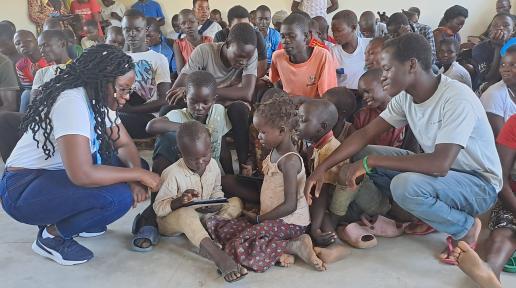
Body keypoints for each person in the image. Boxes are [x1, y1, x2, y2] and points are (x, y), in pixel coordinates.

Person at [304, 33, 502, 266]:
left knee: (402, 185)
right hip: (444, 175)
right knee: (360, 153)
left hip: (478, 185)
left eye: (387, 69)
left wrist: (371, 163)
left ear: (411, 65)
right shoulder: (406, 97)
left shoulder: (456, 98)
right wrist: (321, 168)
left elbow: (439, 165)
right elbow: (364, 134)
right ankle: (393, 212)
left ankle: (465, 227)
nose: (383, 77)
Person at [0, 44, 161, 266]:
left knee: (137, 165)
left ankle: (82, 220)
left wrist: (136, 173)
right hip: (23, 189)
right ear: (102, 82)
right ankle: (52, 236)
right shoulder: (71, 102)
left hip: (53, 176)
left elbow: (124, 145)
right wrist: (137, 176)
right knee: (118, 197)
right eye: (123, 89)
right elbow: (82, 175)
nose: (126, 97)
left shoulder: (99, 99)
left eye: (128, 90)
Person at [207, 95, 327, 273]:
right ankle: (280, 247)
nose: (259, 136)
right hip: (271, 218)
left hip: (290, 223)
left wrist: (259, 219)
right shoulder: (274, 151)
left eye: (263, 132)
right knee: (220, 227)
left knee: (238, 244)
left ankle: (294, 245)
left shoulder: (290, 161)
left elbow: (290, 205)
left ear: (281, 130)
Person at [131, 71, 233, 251]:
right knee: (165, 139)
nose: (199, 107)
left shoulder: (219, 112)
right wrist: (189, 129)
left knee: (236, 197)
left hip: (211, 173)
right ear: (185, 97)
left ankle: (216, 222)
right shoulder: (180, 115)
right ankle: (152, 216)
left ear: (214, 100)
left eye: (205, 102)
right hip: (185, 172)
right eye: (194, 101)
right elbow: (151, 126)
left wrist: (230, 175)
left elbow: (223, 147)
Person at [152, 121, 247, 282]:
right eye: (193, 159)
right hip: (173, 222)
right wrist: (179, 201)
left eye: (205, 156)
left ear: (210, 148)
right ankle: (219, 257)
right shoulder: (172, 173)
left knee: (236, 202)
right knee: (186, 213)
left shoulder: (213, 165)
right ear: (181, 153)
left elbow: (217, 190)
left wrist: (216, 203)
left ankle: (209, 237)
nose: (201, 162)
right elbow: (159, 209)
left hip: (204, 216)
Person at [166, 23, 257, 175]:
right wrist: (194, 92)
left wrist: (209, 93)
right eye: (239, 56)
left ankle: (243, 166)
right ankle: (176, 166)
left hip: (226, 104)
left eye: (246, 58)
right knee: (167, 109)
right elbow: (177, 87)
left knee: (240, 110)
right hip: (203, 104)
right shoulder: (204, 51)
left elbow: (246, 93)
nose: (243, 62)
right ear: (227, 44)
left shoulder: (250, 53)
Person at [453, 114, 516, 288]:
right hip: (512, 202)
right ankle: (489, 272)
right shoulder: (514, 123)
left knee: (503, 235)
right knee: (502, 235)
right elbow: (500, 178)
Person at [296, 99, 352, 262]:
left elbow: (322, 193)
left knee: (319, 216)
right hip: (324, 195)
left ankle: (336, 245)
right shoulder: (316, 143)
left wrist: (314, 228)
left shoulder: (329, 150)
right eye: (297, 117)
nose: (297, 123)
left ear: (322, 127)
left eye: (303, 120)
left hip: (335, 201)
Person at [120, 9, 172, 139]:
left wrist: (130, 110)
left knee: (113, 121)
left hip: (149, 118)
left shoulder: (158, 59)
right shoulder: (117, 58)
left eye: (137, 29)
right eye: (127, 29)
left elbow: (164, 99)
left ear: (145, 30)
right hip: (122, 111)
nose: (132, 34)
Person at [270, 13, 336, 101]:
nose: (286, 41)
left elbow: (326, 97)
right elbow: (275, 83)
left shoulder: (322, 56)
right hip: (288, 108)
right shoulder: (277, 57)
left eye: (292, 36)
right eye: (282, 36)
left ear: (306, 36)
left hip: (315, 108)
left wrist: (298, 101)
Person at [354, 69, 405, 148]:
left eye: (367, 91)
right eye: (362, 94)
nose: (364, 97)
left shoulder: (404, 114)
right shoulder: (362, 115)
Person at [213, 5, 267, 78]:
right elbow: (217, 67)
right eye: (238, 26)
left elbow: (261, 69)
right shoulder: (220, 36)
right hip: (226, 78)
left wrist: (247, 81)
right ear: (229, 27)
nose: (243, 29)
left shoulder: (257, 36)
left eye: (246, 25)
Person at [472, 13, 514, 92]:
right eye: (495, 25)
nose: (500, 28)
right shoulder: (479, 49)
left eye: (506, 25)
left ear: (512, 31)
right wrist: (499, 47)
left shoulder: (513, 46)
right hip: (486, 88)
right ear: (490, 29)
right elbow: (490, 79)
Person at [481, 46, 516, 137]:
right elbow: (502, 140)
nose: (506, 69)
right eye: (503, 65)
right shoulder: (493, 95)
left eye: (513, 65)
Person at [331, 10, 370, 91]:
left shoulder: (369, 46)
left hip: (367, 96)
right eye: (333, 31)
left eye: (339, 30)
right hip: (344, 97)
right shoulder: (332, 52)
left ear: (353, 28)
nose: (335, 35)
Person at [31, 30, 72, 104]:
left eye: (46, 45)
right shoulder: (42, 73)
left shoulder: (79, 69)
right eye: (40, 47)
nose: (41, 50)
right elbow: (33, 102)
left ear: (62, 44)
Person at [13, 30, 50, 113]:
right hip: (36, 91)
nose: (22, 45)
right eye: (18, 43)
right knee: (26, 94)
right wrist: (36, 78)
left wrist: (40, 76)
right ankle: (24, 121)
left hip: (53, 88)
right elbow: (30, 87)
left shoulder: (49, 57)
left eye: (28, 41)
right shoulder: (20, 66)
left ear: (36, 42)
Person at [173, 9, 212, 74]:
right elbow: (180, 72)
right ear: (180, 27)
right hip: (189, 81)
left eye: (192, 21)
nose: (188, 26)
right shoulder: (178, 44)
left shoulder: (209, 41)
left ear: (198, 22)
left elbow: (213, 67)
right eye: (183, 23)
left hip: (209, 79)